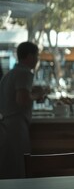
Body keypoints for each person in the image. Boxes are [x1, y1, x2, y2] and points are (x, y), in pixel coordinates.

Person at [0, 41, 45, 179]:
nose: (37, 60)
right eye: (36, 56)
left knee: (8, 168)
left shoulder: (10, 73)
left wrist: (32, 92)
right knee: (19, 168)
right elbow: (22, 99)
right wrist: (38, 95)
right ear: (30, 56)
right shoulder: (24, 73)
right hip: (16, 126)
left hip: (6, 125)